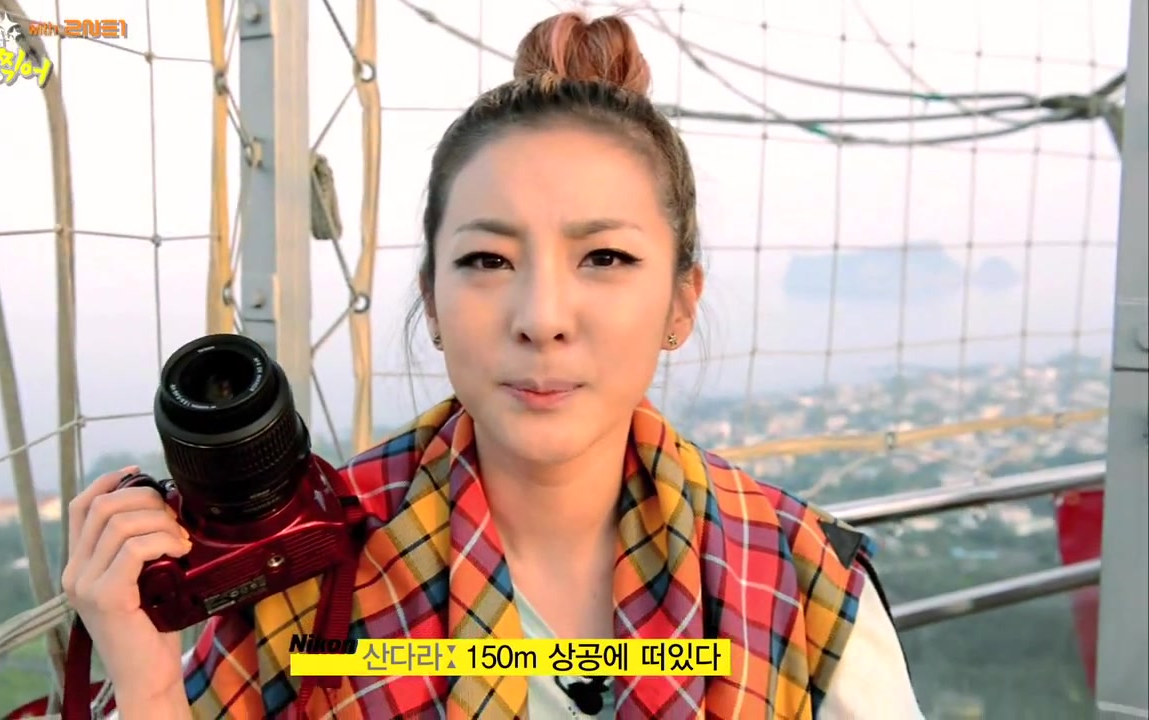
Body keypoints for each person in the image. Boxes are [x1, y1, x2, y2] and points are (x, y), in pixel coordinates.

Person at [63, 10, 925, 720]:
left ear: (680, 302)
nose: (542, 318)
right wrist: (148, 686)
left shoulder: (796, 580)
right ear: (433, 301)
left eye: (605, 258)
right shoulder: (312, 567)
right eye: (487, 260)